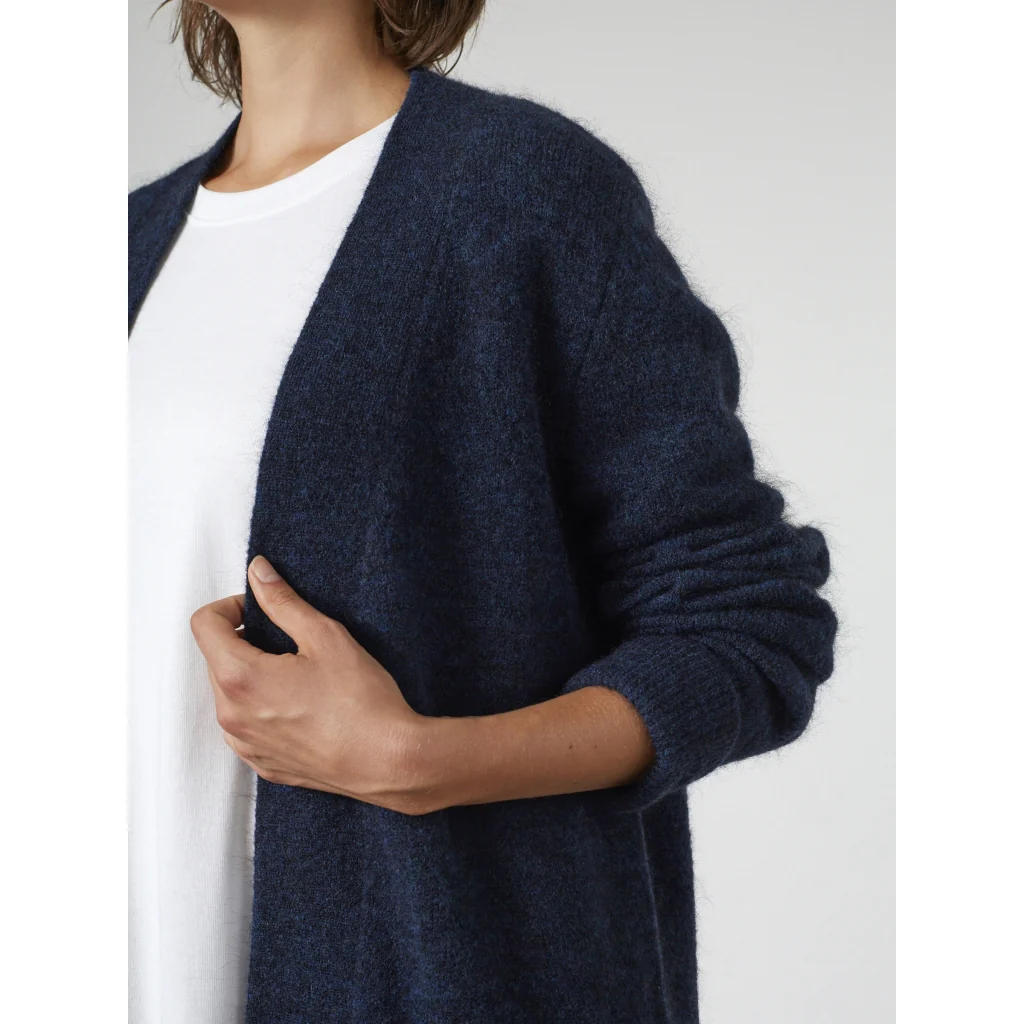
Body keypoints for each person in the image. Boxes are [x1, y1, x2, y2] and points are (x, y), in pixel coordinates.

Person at [128, 1, 839, 1022]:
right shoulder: (123, 242)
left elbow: (747, 624)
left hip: (442, 977)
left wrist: (419, 761)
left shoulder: (525, 192)